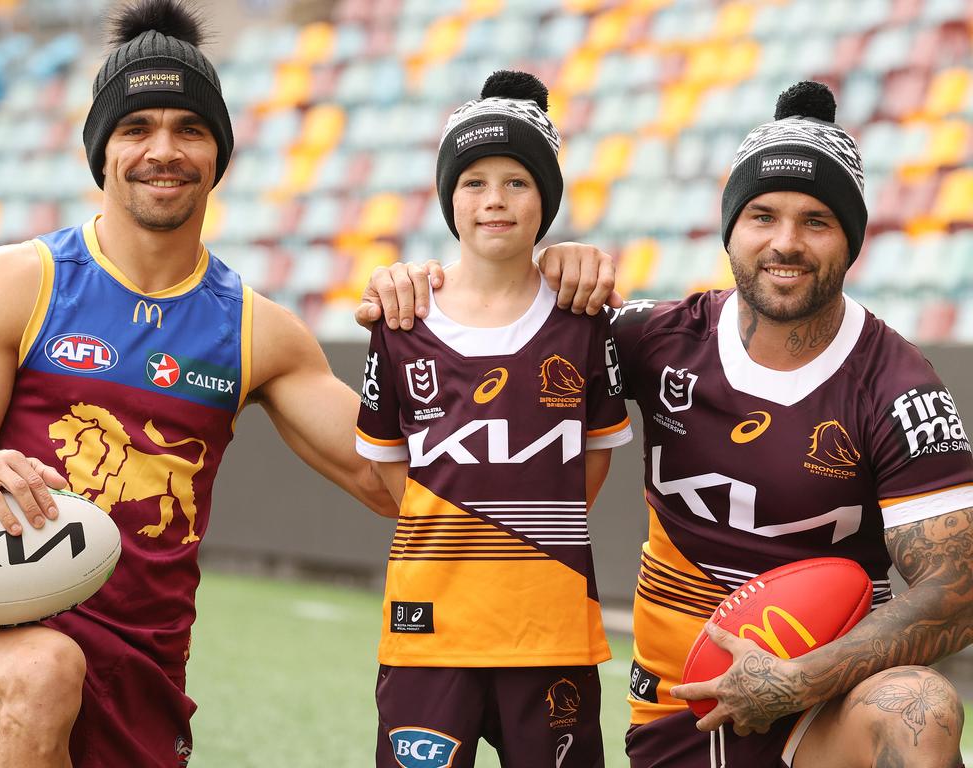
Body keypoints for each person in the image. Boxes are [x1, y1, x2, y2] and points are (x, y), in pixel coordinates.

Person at [359, 81, 971, 767]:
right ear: (732, 229)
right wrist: (422, 283)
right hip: (681, 717)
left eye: (817, 221)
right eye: (763, 215)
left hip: (820, 713)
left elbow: (960, 590)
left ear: (851, 239)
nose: (786, 243)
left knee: (918, 709)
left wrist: (795, 680)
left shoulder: (896, 384)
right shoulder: (652, 339)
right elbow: (504, 326)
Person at [0, 1, 395, 766]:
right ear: (102, 151)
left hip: (146, 666)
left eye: (189, 128)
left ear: (218, 154)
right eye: (137, 128)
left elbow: (394, 484)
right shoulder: (22, 282)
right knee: (46, 670)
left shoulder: (257, 330)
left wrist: (481, 307)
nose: (165, 149)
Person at [355, 71, 632, 767]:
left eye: (517, 181)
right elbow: (388, 468)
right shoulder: (401, 319)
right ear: (450, 197)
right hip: (429, 629)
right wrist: (456, 527)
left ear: (546, 197)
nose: (495, 200)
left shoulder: (584, 323)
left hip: (551, 627)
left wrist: (529, 531)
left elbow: (591, 467)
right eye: (474, 181)